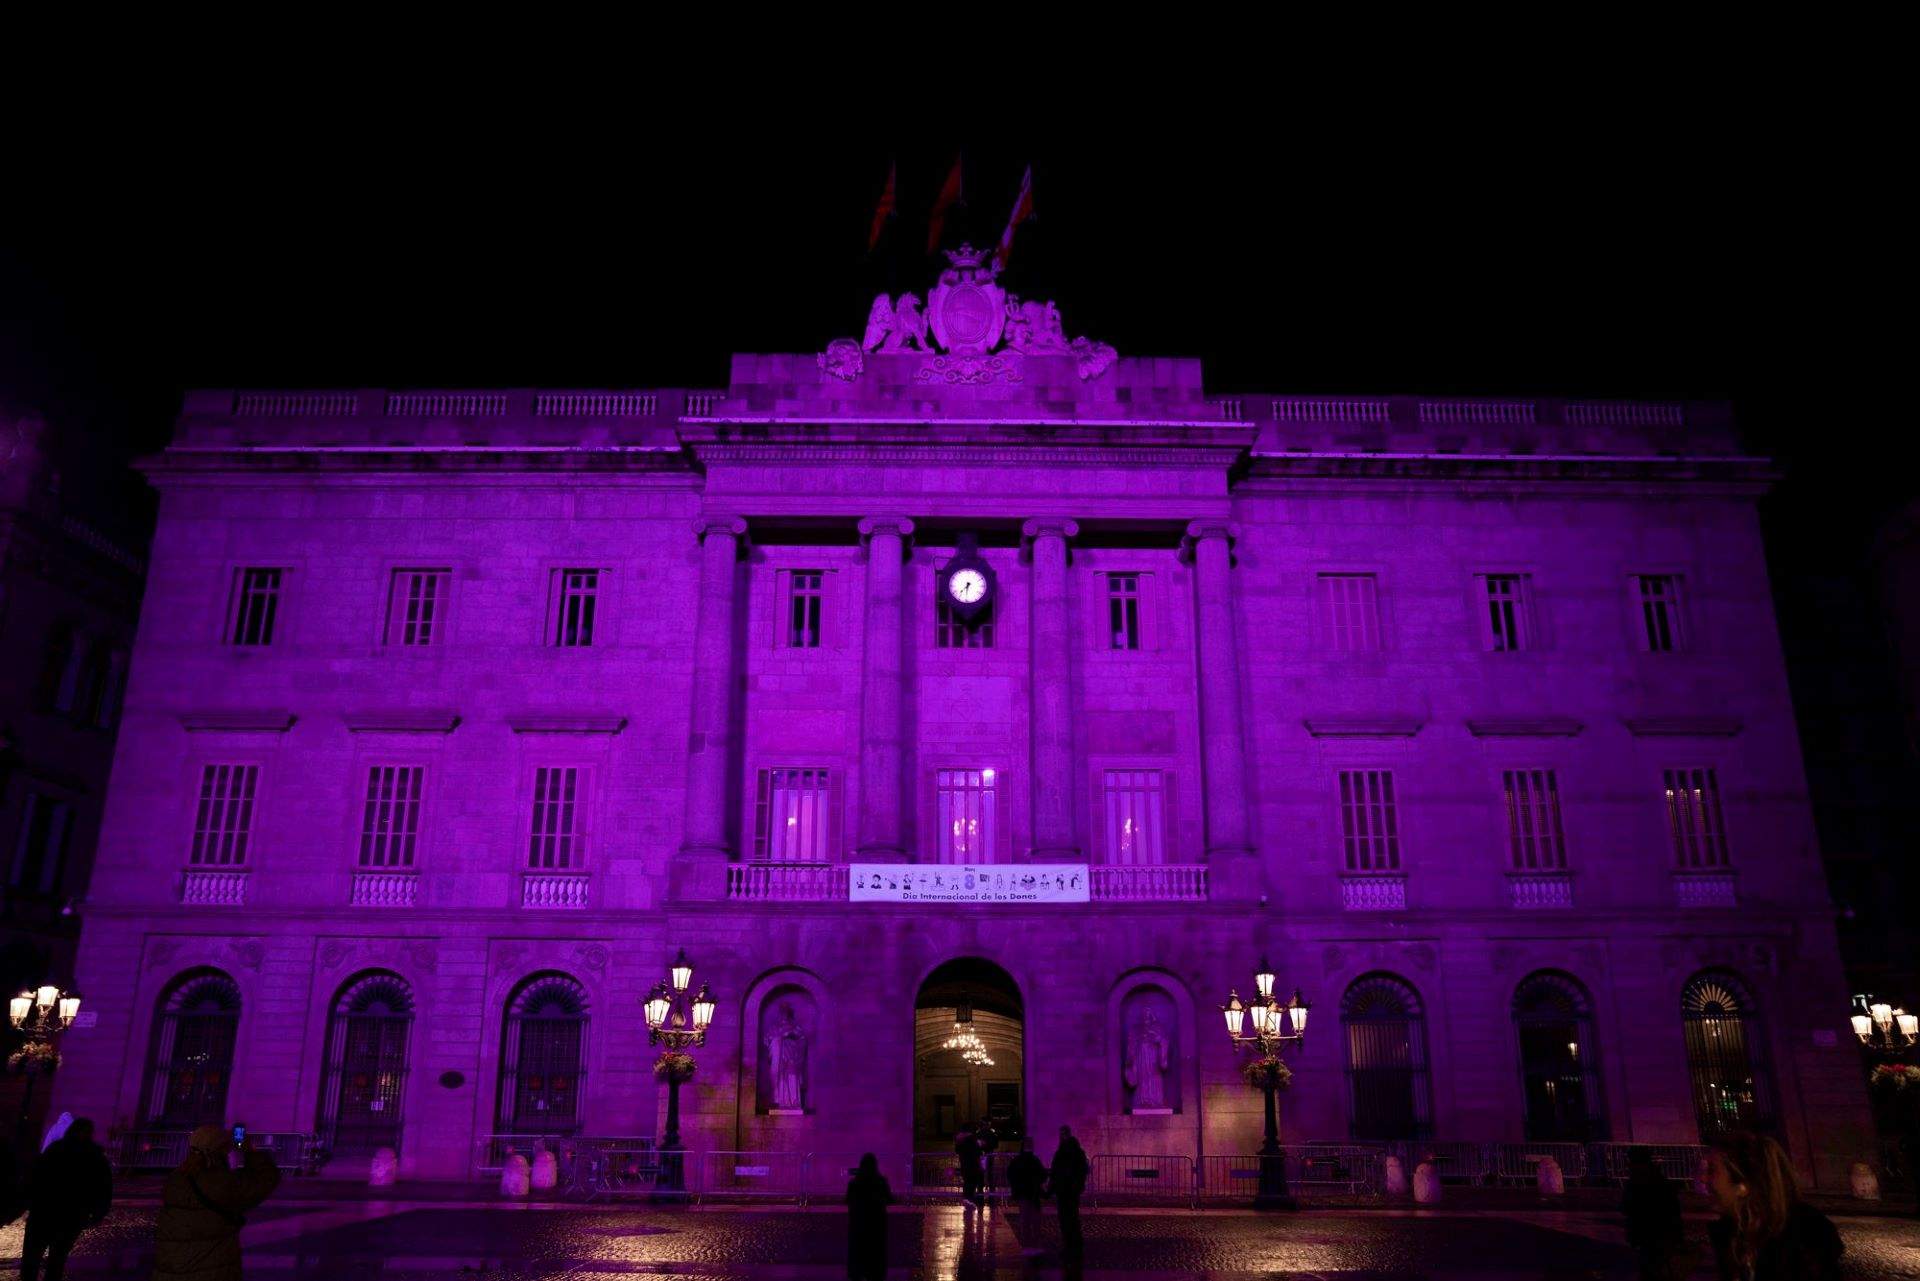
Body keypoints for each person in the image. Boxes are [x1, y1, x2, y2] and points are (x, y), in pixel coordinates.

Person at [1703, 1131, 1842, 1281]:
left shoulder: (1804, 1240)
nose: (1703, 1179)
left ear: (1743, 1185)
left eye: (1712, 1171)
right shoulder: (1731, 1234)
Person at [153, 1123, 281, 1281]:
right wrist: (249, 1150)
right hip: (211, 1269)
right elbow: (264, 1180)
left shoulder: (176, 1177)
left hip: (172, 1269)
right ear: (223, 1150)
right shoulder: (220, 1182)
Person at [19, 1116, 112, 1281]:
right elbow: (103, 1187)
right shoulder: (95, 1156)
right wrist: (98, 1213)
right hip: (72, 1214)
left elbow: (36, 1177)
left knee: (33, 1258)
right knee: (57, 1259)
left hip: (45, 1211)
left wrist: (26, 1202)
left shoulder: (55, 1149)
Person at [1621, 1146, 1685, 1281]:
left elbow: (1626, 1206)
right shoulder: (1659, 1179)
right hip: (1660, 1233)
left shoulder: (1637, 1181)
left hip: (1650, 1233)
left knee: (1652, 1268)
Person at [845, 1153, 892, 1281]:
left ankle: (859, 1272)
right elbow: (890, 1199)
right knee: (876, 1251)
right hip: (877, 1222)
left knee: (858, 1250)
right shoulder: (881, 1181)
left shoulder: (854, 1183)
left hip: (859, 1222)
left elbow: (847, 1200)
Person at [1047, 1125, 1091, 1260]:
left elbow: (1055, 1172)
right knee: (1072, 1217)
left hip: (1064, 1190)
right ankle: (1075, 1244)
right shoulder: (1078, 1152)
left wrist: (1050, 1189)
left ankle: (1069, 1245)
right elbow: (1083, 1170)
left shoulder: (1062, 1153)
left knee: (1066, 1218)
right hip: (1072, 1190)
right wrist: (1079, 1185)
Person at [1005, 1136, 1048, 1255]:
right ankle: (1036, 1242)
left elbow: (1010, 1174)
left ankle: (1026, 1243)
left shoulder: (1017, 1160)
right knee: (1035, 1219)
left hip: (1022, 1193)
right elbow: (1042, 1175)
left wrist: (1015, 1187)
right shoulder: (1035, 1160)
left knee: (1024, 1219)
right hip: (1033, 1193)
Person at [954, 1127, 984, 1207]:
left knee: (967, 1181)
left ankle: (967, 1198)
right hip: (973, 1165)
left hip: (964, 1164)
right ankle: (969, 1199)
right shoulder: (972, 1140)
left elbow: (957, 1150)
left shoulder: (960, 1141)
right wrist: (980, 1145)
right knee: (972, 1182)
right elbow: (977, 1151)